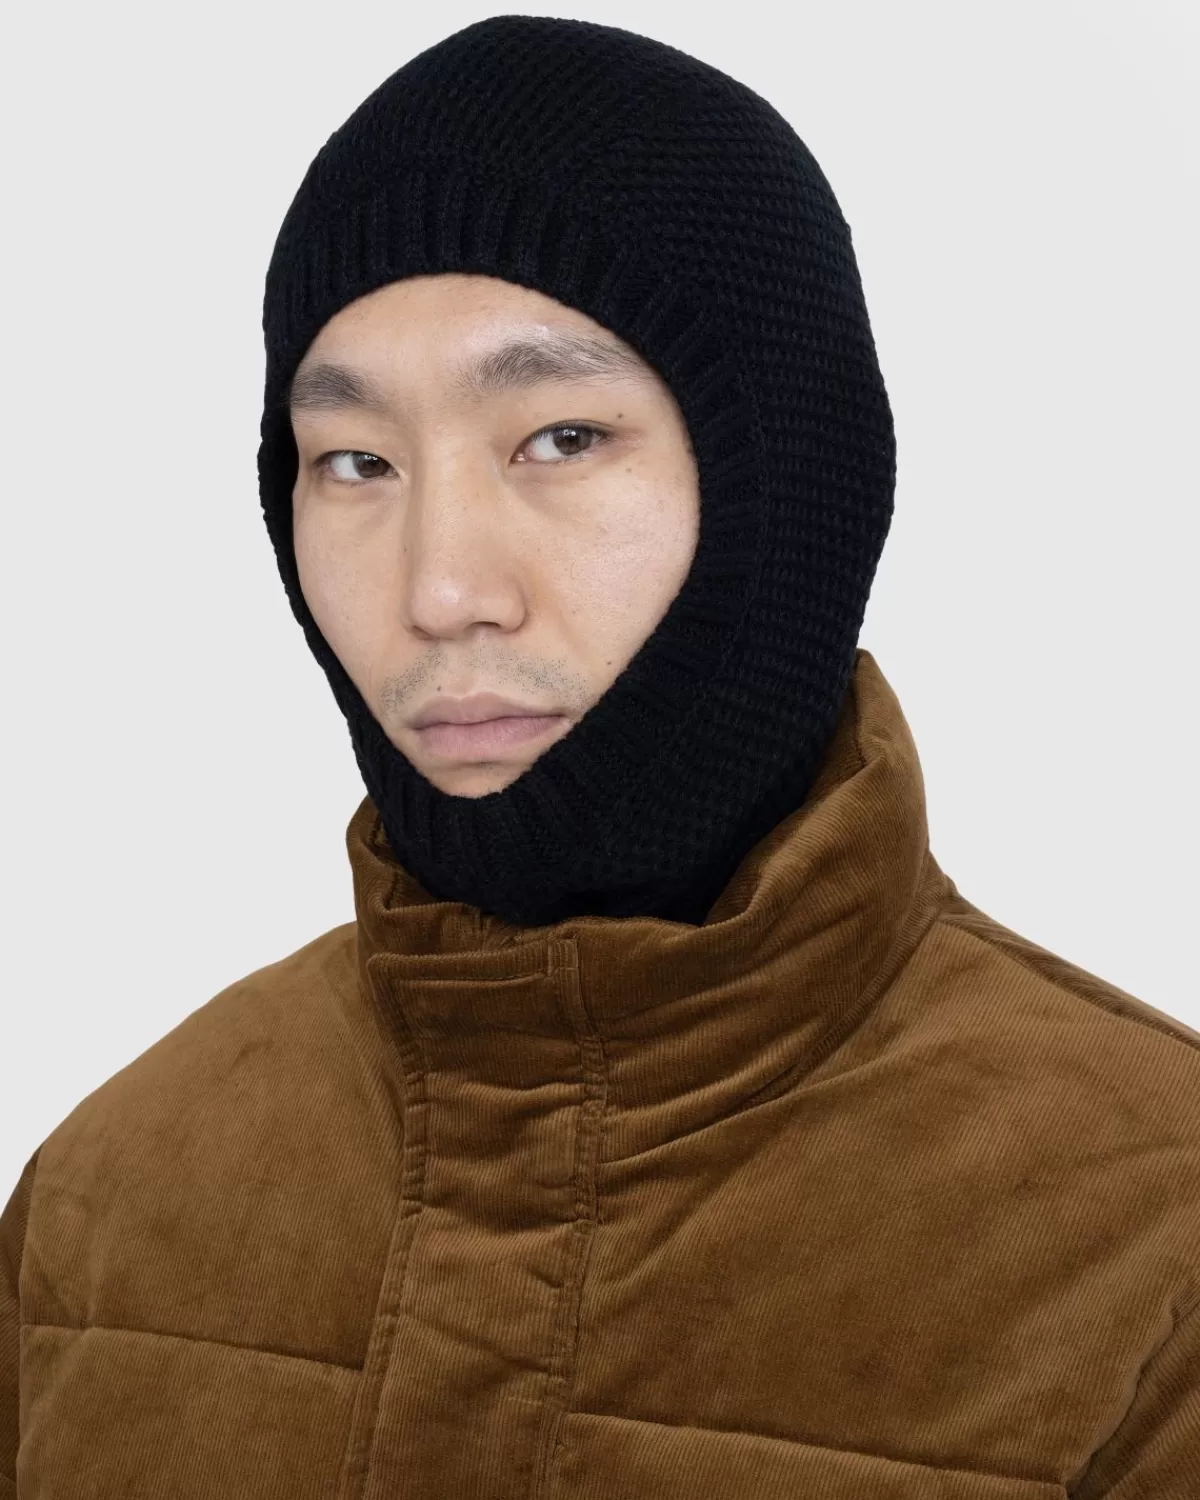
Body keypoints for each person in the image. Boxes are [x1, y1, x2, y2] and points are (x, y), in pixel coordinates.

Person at [2, 14, 1197, 1497]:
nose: (442, 589)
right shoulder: (111, 1197)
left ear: (786, 481)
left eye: (561, 438)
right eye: (357, 463)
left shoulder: (1152, 1245)